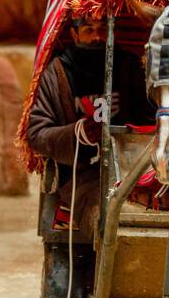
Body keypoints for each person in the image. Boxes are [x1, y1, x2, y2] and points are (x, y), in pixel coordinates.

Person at [24, 14, 155, 230]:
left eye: (104, 30)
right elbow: (36, 133)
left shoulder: (131, 67)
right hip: (80, 176)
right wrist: (78, 134)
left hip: (133, 170)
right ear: (74, 34)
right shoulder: (56, 74)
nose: (97, 37)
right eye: (88, 30)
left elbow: (151, 118)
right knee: (106, 214)